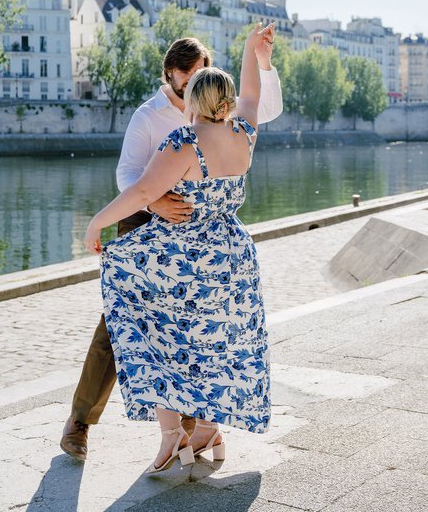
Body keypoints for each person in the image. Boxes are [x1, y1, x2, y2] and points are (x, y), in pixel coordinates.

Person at [60, 31, 282, 460]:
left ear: (196, 97)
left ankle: (173, 434)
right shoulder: (243, 131)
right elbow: (252, 95)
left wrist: (96, 223)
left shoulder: (186, 140)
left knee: (148, 326)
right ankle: (205, 430)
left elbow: (141, 189)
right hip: (228, 253)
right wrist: (252, 52)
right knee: (211, 341)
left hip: (179, 254)